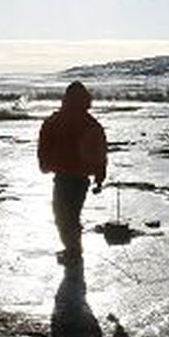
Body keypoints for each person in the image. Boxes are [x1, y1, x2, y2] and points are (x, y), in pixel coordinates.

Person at [37, 82, 107, 262]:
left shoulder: (55, 120)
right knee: (72, 215)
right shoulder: (91, 123)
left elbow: (44, 145)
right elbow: (100, 152)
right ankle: (73, 250)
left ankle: (73, 252)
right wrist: (99, 178)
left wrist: (44, 165)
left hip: (63, 176)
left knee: (63, 215)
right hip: (81, 177)